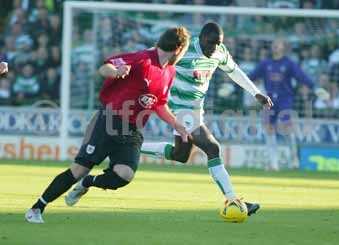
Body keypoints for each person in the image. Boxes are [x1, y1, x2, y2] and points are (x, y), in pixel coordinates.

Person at [25, 26, 191, 224]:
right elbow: (105, 67)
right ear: (179, 48)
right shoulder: (142, 59)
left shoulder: (169, 72)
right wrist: (116, 71)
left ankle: (88, 183)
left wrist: (177, 124)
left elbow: (160, 104)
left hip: (133, 129)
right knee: (79, 169)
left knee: (125, 175)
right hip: (110, 120)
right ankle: (37, 208)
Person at [141, 22, 273, 215]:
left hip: (195, 111)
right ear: (200, 38)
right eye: (211, 43)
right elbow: (152, 56)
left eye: (218, 43)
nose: (214, 48)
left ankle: (132, 145)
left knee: (181, 155)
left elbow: (234, 71)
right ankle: (232, 199)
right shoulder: (184, 50)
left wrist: (255, 93)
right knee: (213, 148)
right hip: (179, 109)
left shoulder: (219, 52)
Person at [249, 39, 328, 170]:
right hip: (269, 100)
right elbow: (250, 77)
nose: (275, 46)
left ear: (283, 47)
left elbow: (301, 76)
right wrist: (232, 86)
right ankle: (273, 163)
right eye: (273, 44)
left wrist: (315, 88)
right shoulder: (265, 63)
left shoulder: (289, 63)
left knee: (287, 128)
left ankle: (294, 159)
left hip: (285, 99)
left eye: (278, 44)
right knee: (269, 129)